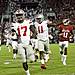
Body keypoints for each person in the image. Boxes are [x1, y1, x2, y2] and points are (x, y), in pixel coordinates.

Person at [11, 9, 35, 75]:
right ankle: (28, 73)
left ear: (24, 15)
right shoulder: (14, 24)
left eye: (20, 15)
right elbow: (13, 33)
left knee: (32, 60)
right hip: (20, 44)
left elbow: (34, 31)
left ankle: (35, 55)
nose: (19, 16)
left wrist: (32, 38)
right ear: (15, 16)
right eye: (18, 15)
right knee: (24, 60)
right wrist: (13, 35)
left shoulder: (28, 22)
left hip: (28, 43)